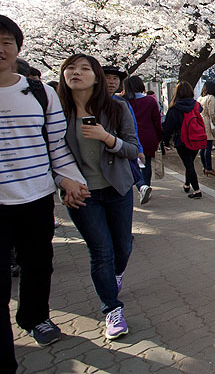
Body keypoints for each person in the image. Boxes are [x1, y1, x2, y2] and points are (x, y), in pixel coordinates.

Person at [1, 15, 89, 373]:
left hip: (36, 197)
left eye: (6, 42)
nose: (0, 49)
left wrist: (69, 179)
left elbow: (56, 145)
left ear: (17, 48)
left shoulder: (40, 93)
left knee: (38, 264)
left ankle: (34, 317)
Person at [59, 54, 139, 341]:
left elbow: (132, 148)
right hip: (82, 194)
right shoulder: (56, 111)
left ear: (96, 78)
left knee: (123, 247)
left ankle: (114, 276)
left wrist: (107, 137)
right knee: (101, 252)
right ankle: (112, 309)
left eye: (84, 68)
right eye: (70, 68)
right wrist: (63, 182)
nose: (76, 72)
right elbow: (50, 155)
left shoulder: (117, 108)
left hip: (117, 189)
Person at [103, 66, 150, 205]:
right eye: (107, 78)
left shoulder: (122, 104)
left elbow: (132, 129)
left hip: (119, 151)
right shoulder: (85, 103)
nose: (112, 82)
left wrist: (138, 149)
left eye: (115, 78)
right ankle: (142, 185)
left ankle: (141, 185)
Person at [122, 76, 163, 204]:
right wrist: (159, 137)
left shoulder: (123, 102)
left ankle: (141, 186)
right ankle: (146, 186)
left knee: (132, 164)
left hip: (129, 137)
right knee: (146, 163)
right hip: (148, 136)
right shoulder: (150, 101)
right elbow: (157, 120)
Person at [162, 82, 204, 199]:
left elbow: (168, 128)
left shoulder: (174, 109)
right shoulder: (196, 106)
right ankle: (186, 184)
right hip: (196, 138)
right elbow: (200, 111)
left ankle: (197, 190)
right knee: (189, 162)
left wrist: (165, 141)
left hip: (181, 140)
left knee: (189, 164)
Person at [197, 80, 215, 176]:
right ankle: (209, 168)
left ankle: (205, 167)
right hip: (207, 122)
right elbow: (211, 113)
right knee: (208, 147)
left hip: (199, 122)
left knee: (202, 147)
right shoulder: (211, 98)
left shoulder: (200, 98)